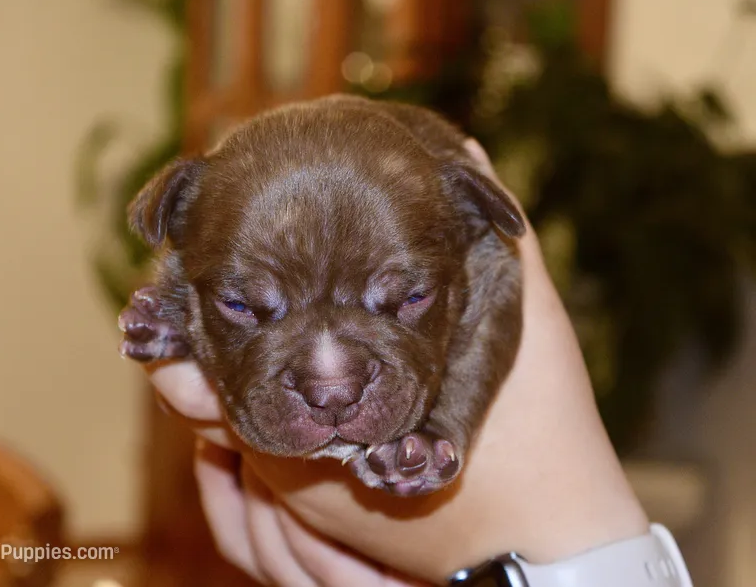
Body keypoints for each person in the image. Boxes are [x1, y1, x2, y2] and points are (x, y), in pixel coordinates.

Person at [144, 139, 650, 586]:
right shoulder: (212, 216)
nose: (331, 386)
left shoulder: (449, 200)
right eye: (244, 306)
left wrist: (449, 422)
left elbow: (502, 270)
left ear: (470, 220)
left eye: (407, 297)